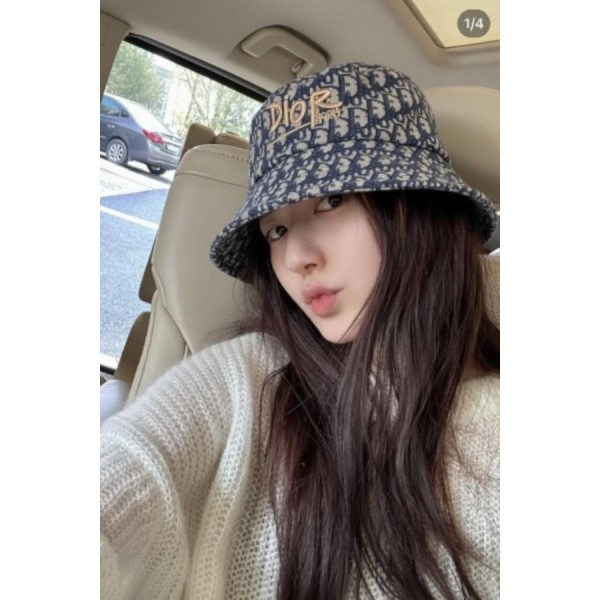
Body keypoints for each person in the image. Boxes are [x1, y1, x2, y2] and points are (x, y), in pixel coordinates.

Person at [101, 62, 499, 599]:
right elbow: (132, 468)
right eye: (277, 230)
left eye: (332, 200)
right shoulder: (249, 375)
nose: (295, 257)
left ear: (420, 206)